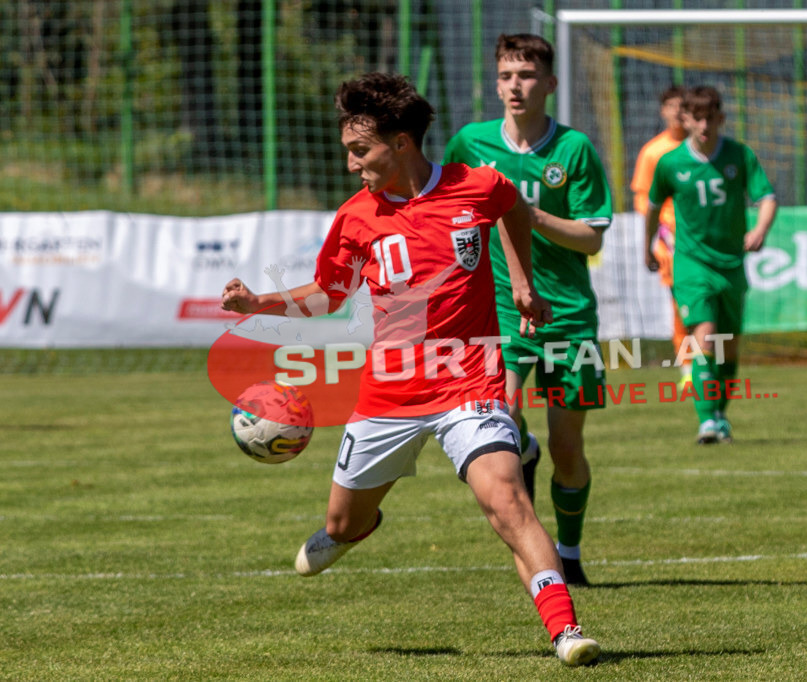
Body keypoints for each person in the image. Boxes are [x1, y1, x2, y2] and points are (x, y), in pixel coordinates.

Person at [220, 72, 600, 667]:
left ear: (401, 143)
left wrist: (522, 282)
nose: (351, 164)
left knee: (507, 501)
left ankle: (566, 631)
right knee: (340, 525)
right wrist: (256, 303)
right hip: (389, 394)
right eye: (348, 150)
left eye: (360, 150)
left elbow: (512, 210)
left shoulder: (477, 185)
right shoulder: (355, 217)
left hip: (470, 380)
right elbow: (330, 293)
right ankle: (353, 530)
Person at [443, 34, 613, 587]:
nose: (515, 86)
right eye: (506, 76)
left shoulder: (574, 150)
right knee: (503, 418)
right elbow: (444, 209)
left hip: (567, 314)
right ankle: (540, 547)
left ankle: (570, 550)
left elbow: (591, 237)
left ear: (551, 83)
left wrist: (527, 215)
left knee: (568, 449)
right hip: (499, 313)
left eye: (527, 75)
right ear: (496, 84)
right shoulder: (470, 143)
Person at [644, 85, 777, 444]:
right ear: (685, 119)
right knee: (704, 337)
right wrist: (647, 248)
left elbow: (766, 197)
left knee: (728, 347)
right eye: (697, 118)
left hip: (731, 264)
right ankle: (706, 422)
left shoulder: (739, 155)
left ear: (721, 118)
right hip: (691, 263)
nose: (704, 126)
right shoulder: (670, 162)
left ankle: (719, 414)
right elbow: (652, 208)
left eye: (710, 118)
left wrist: (760, 229)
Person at [630, 84, 690, 385]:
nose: (678, 112)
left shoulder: (703, 147)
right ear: (663, 111)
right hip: (672, 239)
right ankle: (689, 367)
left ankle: (714, 361)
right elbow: (643, 198)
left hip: (703, 235)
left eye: (684, 106)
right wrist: (660, 229)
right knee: (681, 302)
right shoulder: (653, 151)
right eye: (672, 106)